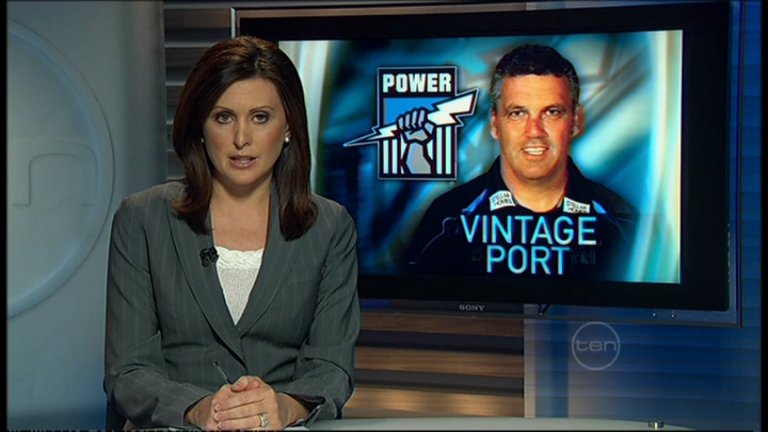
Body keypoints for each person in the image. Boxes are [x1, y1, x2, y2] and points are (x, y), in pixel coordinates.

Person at [104, 36, 360, 430]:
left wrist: (282, 406)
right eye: (224, 117)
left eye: (260, 117)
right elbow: (127, 372)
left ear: (289, 126)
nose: (242, 139)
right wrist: (199, 409)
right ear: (200, 126)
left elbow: (332, 368)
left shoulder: (329, 226)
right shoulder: (142, 218)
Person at [404, 44, 637, 280]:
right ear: (495, 124)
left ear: (575, 121)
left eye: (552, 112)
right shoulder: (447, 219)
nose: (534, 131)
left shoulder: (623, 223)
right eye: (517, 113)